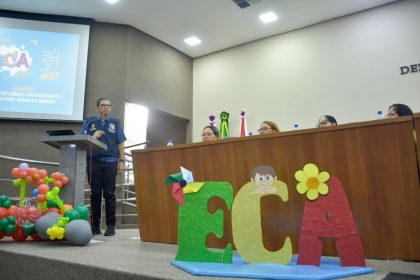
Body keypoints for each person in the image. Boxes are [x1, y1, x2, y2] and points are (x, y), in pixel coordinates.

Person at [80, 97, 126, 236]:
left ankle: (111, 225)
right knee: (95, 194)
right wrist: (93, 135)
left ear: (110, 109)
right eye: (103, 105)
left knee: (109, 194)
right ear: (97, 109)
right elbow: (82, 138)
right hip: (93, 161)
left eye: (108, 105)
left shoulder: (115, 123)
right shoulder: (89, 122)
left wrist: (122, 160)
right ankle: (95, 226)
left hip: (110, 161)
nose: (105, 107)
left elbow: (120, 143)